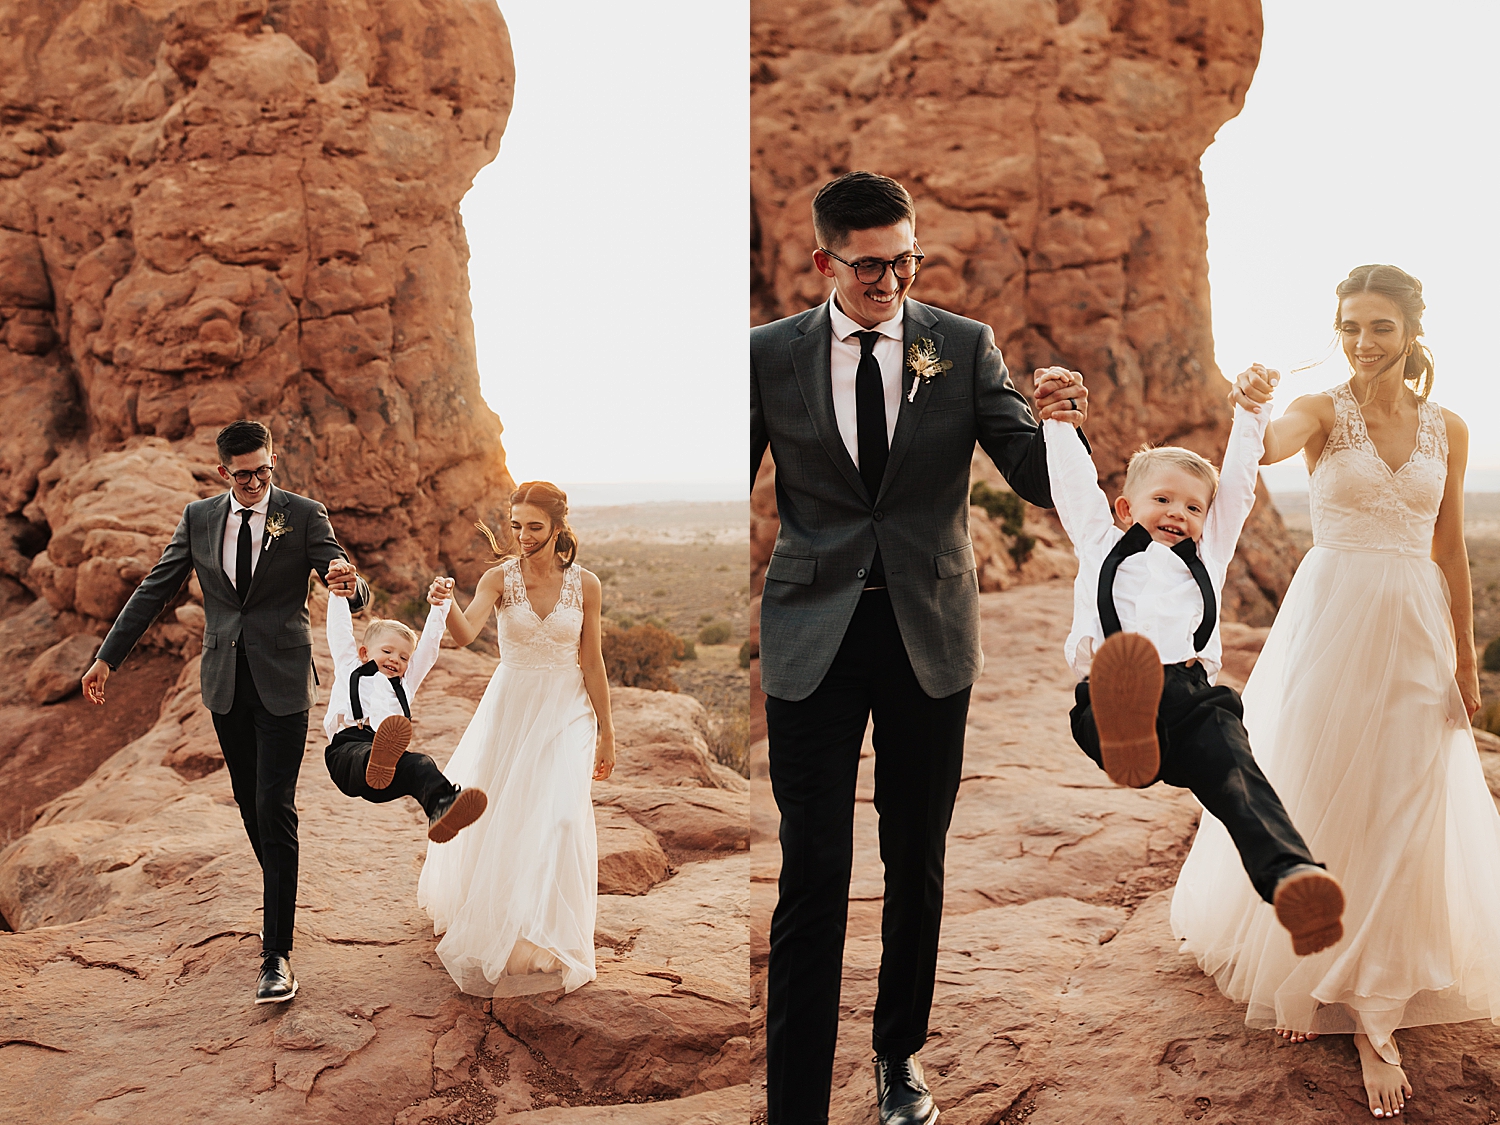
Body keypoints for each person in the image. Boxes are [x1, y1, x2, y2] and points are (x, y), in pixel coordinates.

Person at [749, 170, 1087, 1125]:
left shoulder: (963, 344)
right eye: (869, 265)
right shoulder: (768, 354)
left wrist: (1056, 422)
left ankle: (899, 1055)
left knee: (916, 855)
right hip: (811, 632)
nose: (890, 281)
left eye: (905, 261)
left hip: (929, 635)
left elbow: (1030, 476)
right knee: (812, 867)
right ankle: (794, 1104)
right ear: (822, 261)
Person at [1171, 264, 1500, 1120]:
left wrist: (1464, 660)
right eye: (1350, 325)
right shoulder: (1324, 413)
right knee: (1318, 785)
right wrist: (1248, 404)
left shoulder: (1449, 428)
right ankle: (1314, 971)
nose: (1363, 341)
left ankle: (1377, 998)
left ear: (1411, 332)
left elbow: (1454, 550)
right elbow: (1271, 442)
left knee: (1407, 798)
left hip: (1418, 627)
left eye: (1380, 326)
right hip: (1334, 620)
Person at [1042, 376, 1343, 954]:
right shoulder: (1101, 541)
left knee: (1237, 771)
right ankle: (1125, 738)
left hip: (1188, 694)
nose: (1178, 513)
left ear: (1207, 518)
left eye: (1192, 506)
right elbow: (1074, 485)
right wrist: (1059, 423)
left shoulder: (1209, 554)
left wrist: (1250, 412)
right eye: (1162, 500)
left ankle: (1292, 879)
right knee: (1111, 694)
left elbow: (1238, 489)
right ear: (1127, 507)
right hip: (1109, 692)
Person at [81, 420, 369, 1005]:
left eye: (266, 469)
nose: (259, 482)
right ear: (223, 473)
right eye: (245, 474)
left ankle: (277, 955)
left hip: (285, 683)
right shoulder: (200, 518)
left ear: (272, 461)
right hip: (225, 686)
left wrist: (350, 584)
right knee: (247, 802)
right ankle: (280, 891)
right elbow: (154, 590)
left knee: (273, 804)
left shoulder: (305, 514)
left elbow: (344, 580)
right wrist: (107, 658)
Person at [416, 481, 616, 997]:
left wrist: (607, 731)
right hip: (514, 703)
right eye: (516, 525)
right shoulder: (498, 578)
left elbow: (591, 660)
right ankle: (510, 925)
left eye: (534, 526)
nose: (523, 536)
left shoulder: (586, 584)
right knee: (511, 813)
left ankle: (551, 934)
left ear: (557, 527)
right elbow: (465, 633)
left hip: (568, 708)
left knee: (563, 815)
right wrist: (443, 603)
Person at [321, 577, 488, 843]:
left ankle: (441, 806)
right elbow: (338, 631)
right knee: (363, 752)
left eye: (403, 658)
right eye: (387, 651)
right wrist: (338, 595)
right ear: (364, 652)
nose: (394, 660)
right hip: (347, 754)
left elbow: (429, 648)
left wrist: (441, 604)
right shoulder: (350, 666)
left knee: (419, 763)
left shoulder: (405, 684)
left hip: (384, 778)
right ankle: (376, 760)